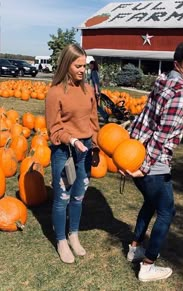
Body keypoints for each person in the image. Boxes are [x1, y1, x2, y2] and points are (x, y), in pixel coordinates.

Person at [124, 42, 183, 282]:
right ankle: (148, 266)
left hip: (137, 151)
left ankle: (135, 248)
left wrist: (131, 150)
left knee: (151, 203)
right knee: (167, 211)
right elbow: (160, 136)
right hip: (153, 161)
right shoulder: (180, 94)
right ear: (177, 65)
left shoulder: (162, 82)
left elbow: (143, 118)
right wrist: (144, 167)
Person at [45, 43, 100, 264]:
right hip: (64, 152)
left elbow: (94, 121)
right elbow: (54, 129)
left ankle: (73, 235)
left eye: (84, 66)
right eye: (78, 65)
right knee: (62, 198)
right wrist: (72, 139)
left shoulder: (88, 90)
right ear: (67, 64)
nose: (82, 70)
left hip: (85, 151)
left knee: (78, 196)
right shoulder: (55, 92)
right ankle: (60, 240)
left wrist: (94, 146)